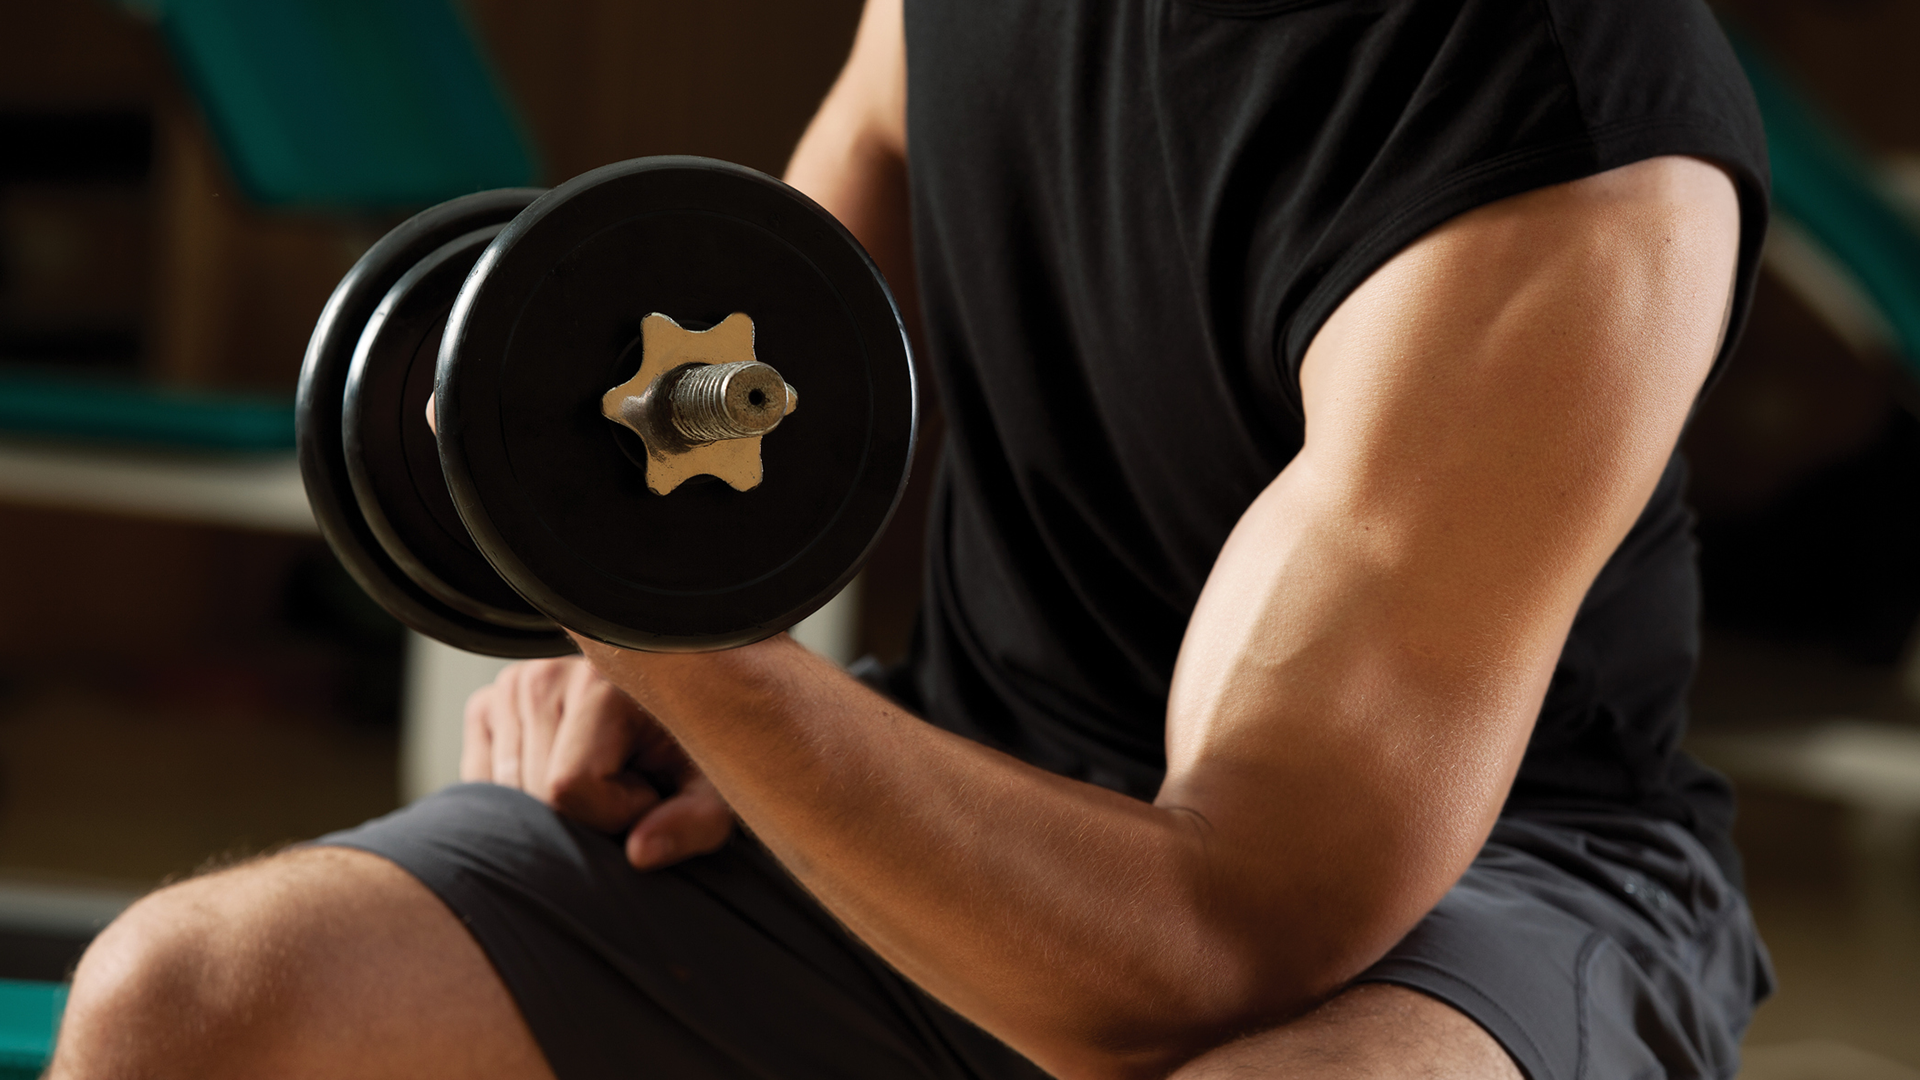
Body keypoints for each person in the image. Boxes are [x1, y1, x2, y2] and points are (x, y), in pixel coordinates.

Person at [48, 0, 1774, 1076]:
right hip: (988, 746)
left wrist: (683, 642)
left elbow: (1215, 945)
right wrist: (692, 622)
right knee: (187, 1007)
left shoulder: (1573, 155)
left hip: (1471, 888)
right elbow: (809, 271)